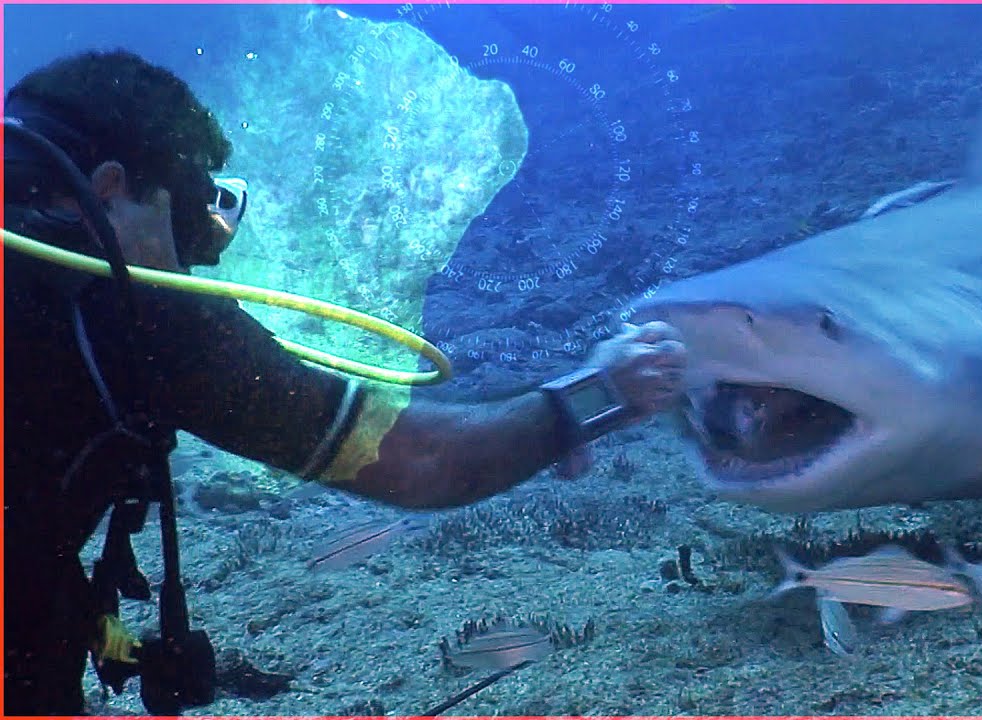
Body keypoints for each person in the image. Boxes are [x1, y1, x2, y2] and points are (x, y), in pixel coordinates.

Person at [3, 49, 687, 715]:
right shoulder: (135, 312)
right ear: (109, 190)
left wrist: (118, 646)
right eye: (183, 216)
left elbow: (35, 570)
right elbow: (424, 461)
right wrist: (601, 394)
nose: (192, 263)